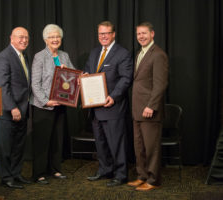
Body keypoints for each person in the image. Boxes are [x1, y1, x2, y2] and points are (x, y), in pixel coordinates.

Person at [85, 21, 133, 187]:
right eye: (100, 34)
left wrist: (113, 96)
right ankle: (105, 170)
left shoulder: (123, 54)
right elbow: (88, 72)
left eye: (106, 33)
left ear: (113, 34)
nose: (103, 36)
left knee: (116, 143)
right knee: (101, 142)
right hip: (95, 107)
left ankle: (121, 175)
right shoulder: (94, 52)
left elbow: (126, 78)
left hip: (112, 106)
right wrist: (83, 76)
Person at [31, 24, 75, 184]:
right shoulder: (39, 56)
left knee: (57, 139)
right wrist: (45, 101)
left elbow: (74, 77)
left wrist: (67, 71)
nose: (55, 39)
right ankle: (39, 173)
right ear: (45, 40)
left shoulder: (64, 56)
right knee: (43, 141)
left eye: (57, 37)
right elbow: (35, 83)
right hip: (44, 105)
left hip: (61, 104)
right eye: (51, 37)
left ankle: (55, 170)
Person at [127, 22, 169, 191]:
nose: (141, 37)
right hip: (137, 109)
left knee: (151, 147)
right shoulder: (140, 53)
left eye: (144, 33)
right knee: (139, 147)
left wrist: (151, 106)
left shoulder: (158, 55)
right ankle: (142, 175)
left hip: (149, 110)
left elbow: (160, 84)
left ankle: (153, 180)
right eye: (138, 34)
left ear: (152, 34)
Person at [0, 27, 31, 189]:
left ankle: (16, 174)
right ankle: (6, 177)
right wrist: (12, 108)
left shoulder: (24, 56)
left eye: (26, 38)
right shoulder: (3, 57)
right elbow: (2, 86)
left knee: (18, 146)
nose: (24, 40)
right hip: (8, 111)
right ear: (11, 38)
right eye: (20, 37)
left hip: (23, 109)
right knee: (6, 147)